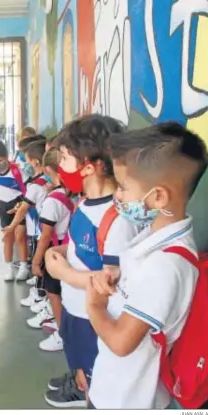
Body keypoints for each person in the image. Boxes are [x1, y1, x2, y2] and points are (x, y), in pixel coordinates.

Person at [87, 123, 207, 409]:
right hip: (117, 386)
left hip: (127, 400)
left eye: (124, 187)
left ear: (158, 197)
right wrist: (118, 276)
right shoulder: (154, 236)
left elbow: (121, 342)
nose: (117, 195)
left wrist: (93, 306)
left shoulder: (165, 265)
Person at [43, 115, 139, 408]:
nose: (60, 165)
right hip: (75, 309)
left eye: (65, 157)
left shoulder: (117, 219)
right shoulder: (84, 203)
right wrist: (61, 251)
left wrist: (63, 271)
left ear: (91, 165)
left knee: (99, 384)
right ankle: (82, 383)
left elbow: (110, 281)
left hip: (94, 319)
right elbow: (80, 248)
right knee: (84, 369)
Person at [31, 147, 73, 352]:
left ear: (48, 169)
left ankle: (62, 334)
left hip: (55, 252)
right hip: (69, 248)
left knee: (54, 293)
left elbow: (46, 235)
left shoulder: (52, 201)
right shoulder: (71, 193)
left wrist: (36, 261)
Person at [5, 140, 48, 308]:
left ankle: (39, 295)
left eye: (28, 160)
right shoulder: (43, 181)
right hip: (38, 226)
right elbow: (25, 203)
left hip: (40, 229)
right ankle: (40, 290)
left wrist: (11, 226)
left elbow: (24, 208)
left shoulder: (37, 184)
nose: (26, 164)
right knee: (39, 258)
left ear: (35, 162)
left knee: (39, 261)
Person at [0, 140, 29, 281]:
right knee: (7, 239)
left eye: (0, 160)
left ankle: (23, 266)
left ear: (6, 156)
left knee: (20, 237)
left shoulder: (18, 172)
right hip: (3, 207)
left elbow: (28, 191)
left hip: (19, 206)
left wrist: (21, 204)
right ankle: (9, 267)